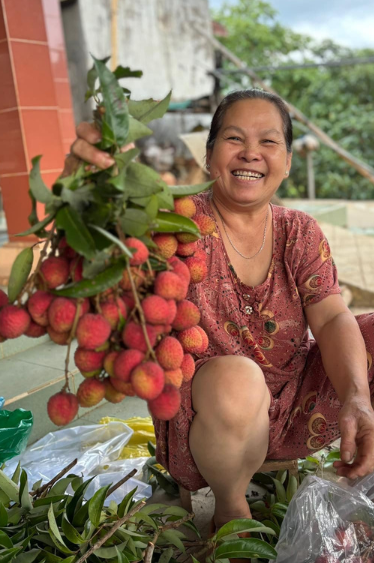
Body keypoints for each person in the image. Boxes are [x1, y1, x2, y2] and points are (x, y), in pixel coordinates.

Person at [65, 89, 374, 533]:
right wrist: (90, 191)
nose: (251, 152)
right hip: (207, 411)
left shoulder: (299, 231)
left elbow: (330, 318)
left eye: (269, 142)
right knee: (238, 378)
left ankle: (365, 475)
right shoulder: (174, 223)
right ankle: (229, 509)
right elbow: (106, 245)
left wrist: (356, 399)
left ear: (286, 162)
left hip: (294, 407)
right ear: (209, 156)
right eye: (234, 138)